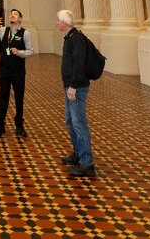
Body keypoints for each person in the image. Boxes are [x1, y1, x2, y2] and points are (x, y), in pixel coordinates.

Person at [56, 9, 96, 177]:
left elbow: (79, 66)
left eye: (58, 21)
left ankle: (87, 163)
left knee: (79, 124)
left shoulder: (77, 39)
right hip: (70, 86)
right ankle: (78, 154)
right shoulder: (70, 38)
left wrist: (73, 86)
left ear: (64, 22)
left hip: (76, 88)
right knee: (70, 121)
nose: (57, 23)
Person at [0, 7, 33, 137]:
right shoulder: (3, 31)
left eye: (15, 14)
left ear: (20, 19)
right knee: (3, 97)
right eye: (11, 14)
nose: (12, 16)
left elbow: (31, 51)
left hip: (18, 71)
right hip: (4, 70)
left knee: (19, 98)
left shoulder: (25, 33)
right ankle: (0, 126)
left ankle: (19, 126)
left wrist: (20, 52)